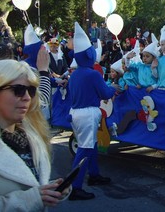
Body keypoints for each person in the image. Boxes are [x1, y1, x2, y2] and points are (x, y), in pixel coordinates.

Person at [0, 59, 68, 211]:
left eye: (31, 90)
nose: (27, 97)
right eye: (18, 90)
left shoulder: (32, 137)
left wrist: (49, 190)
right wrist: (30, 199)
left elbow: (28, 183)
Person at [67, 22, 116, 200]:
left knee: (91, 145)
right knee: (85, 150)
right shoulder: (92, 74)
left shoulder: (75, 74)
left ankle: (94, 175)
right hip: (87, 114)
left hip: (77, 113)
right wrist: (114, 89)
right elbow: (104, 93)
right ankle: (75, 186)